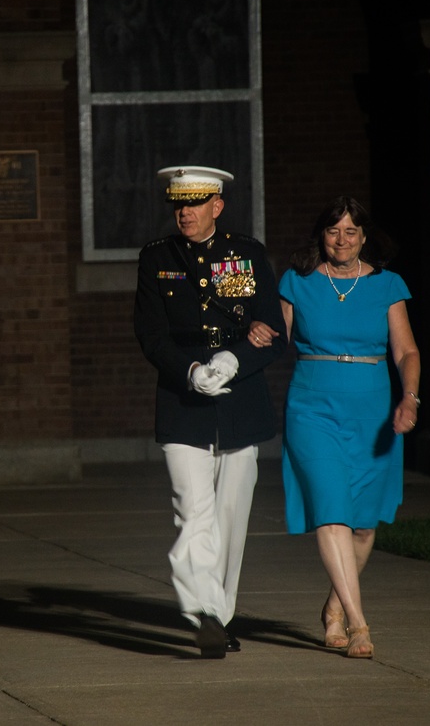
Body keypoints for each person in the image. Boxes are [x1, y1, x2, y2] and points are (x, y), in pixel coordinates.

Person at [249, 195, 420, 659]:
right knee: (331, 510)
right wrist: (258, 332)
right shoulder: (297, 281)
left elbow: (406, 352)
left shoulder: (387, 284)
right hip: (312, 406)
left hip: (372, 411)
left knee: (363, 525)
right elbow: (273, 340)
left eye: (350, 231)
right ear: (320, 235)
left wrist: (409, 397)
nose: (341, 240)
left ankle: (334, 608)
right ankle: (360, 624)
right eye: (333, 231)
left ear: (364, 237)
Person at [134, 165, 286, 659]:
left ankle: (220, 613)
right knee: (192, 511)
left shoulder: (247, 254)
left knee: (231, 516)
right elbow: (152, 336)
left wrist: (232, 359)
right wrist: (193, 368)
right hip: (183, 402)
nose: (185, 212)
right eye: (178, 204)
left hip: (240, 403)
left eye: (195, 203)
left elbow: (272, 333)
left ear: (216, 206)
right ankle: (205, 612)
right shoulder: (157, 258)